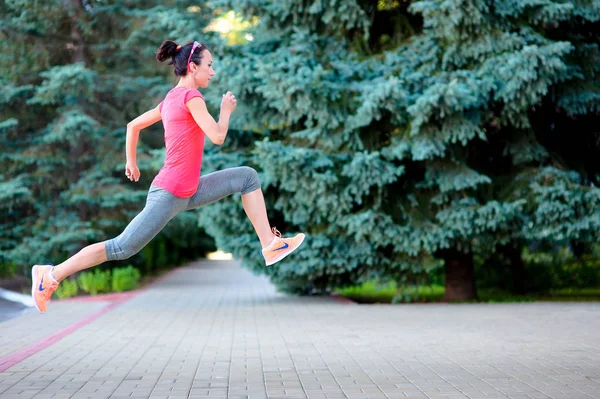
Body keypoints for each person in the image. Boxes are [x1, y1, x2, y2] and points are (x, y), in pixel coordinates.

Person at [31, 40, 305, 313]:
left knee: (247, 177)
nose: (212, 72)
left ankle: (270, 244)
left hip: (188, 190)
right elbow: (218, 136)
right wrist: (225, 112)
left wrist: (132, 162)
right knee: (121, 247)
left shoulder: (170, 99)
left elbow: (132, 126)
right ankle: (50, 276)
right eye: (209, 66)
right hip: (172, 192)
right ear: (192, 66)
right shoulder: (191, 97)